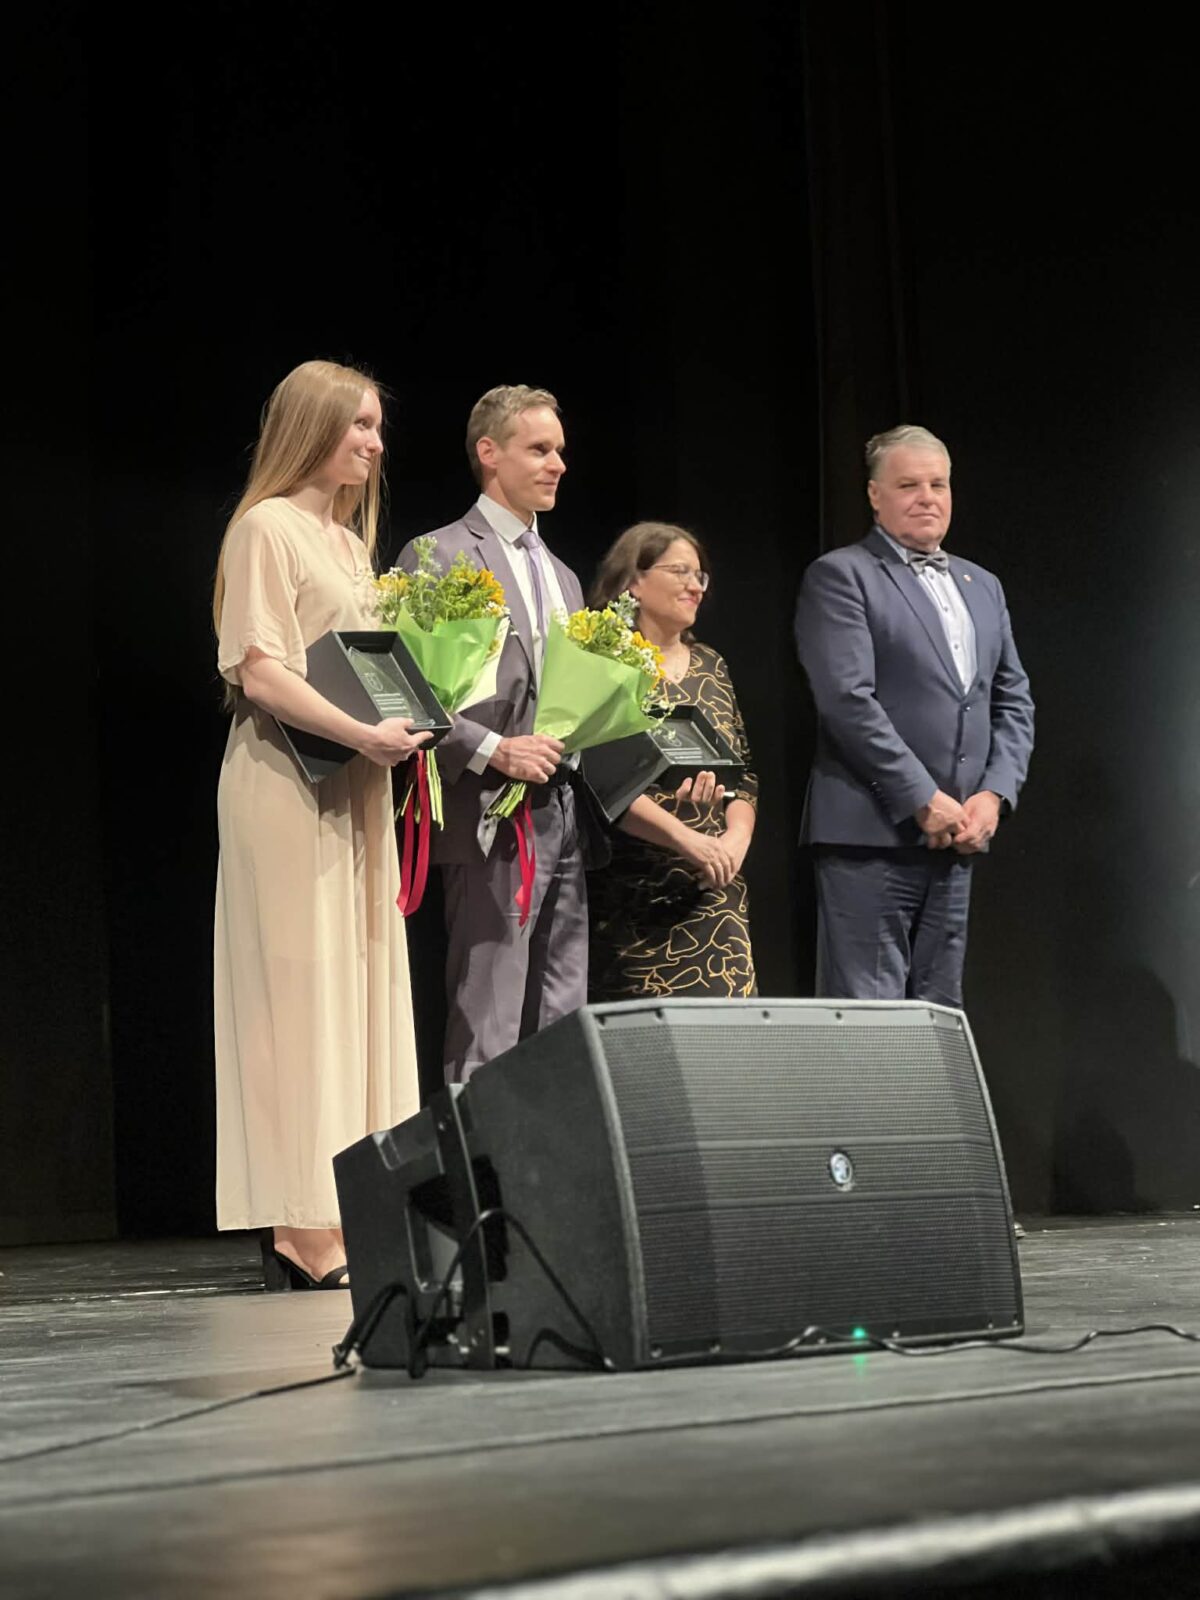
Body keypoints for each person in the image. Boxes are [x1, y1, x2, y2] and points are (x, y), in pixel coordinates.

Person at [213, 359, 430, 1290]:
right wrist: (362, 733)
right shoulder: (266, 528)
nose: (376, 443)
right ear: (313, 427)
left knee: (360, 995)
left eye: (378, 426)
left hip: (357, 784)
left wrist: (412, 717)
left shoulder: (347, 542)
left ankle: (354, 1207)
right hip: (286, 785)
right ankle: (300, 1229)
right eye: (360, 425)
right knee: (298, 1001)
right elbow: (259, 669)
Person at [794, 424, 1034, 1005]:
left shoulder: (983, 585)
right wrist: (922, 797)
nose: (927, 497)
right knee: (871, 1018)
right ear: (875, 495)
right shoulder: (841, 575)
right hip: (870, 835)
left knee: (939, 1013)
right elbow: (847, 700)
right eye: (909, 485)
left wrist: (994, 795)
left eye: (938, 484)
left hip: (956, 837)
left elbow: (1013, 698)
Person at [395, 385, 589, 1083]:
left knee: (562, 1011)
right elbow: (405, 689)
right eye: (539, 449)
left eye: (559, 451)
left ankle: (553, 1149)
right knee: (491, 1011)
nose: (557, 464)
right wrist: (493, 749)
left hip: (560, 810)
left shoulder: (564, 576)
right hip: (486, 810)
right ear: (489, 452)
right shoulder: (439, 553)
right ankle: (478, 1153)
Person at [586, 522, 758, 999]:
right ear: (633, 581)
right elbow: (600, 781)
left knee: (725, 1036)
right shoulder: (606, 661)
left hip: (714, 888)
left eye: (700, 575)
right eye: (680, 571)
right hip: (634, 896)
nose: (695, 586)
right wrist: (686, 840)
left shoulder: (712, 664)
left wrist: (735, 840)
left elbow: (745, 775)